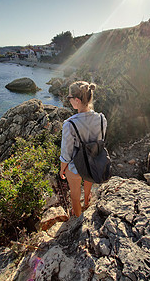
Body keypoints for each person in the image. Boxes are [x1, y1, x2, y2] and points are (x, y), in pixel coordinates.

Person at [60, 81, 107, 217]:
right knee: (88, 181)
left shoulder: (69, 124)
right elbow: (101, 140)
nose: (68, 101)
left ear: (77, 100)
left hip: (76, 166)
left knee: (74, 196)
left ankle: (79, 219)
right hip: (93, 162)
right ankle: (87, 201)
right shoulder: (101, 119)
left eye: (69, 98)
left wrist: (62, 169)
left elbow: (66, 154)